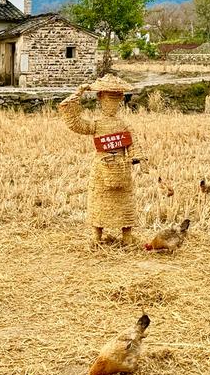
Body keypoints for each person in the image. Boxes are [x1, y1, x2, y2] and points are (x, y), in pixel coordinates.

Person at [58, 74, 147, 246]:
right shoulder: (97, 124)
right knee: (99, 200)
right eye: (108, 98)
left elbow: (133, 143)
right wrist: (76, 97)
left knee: (124, 202)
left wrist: (137, 158)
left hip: (121, 168)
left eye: (115, 99)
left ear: (121, 98)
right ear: (100, 98)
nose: (111, 103)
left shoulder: (123, 124)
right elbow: (76, 124)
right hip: (101, 167)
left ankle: (127, 236)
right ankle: (96, 236)